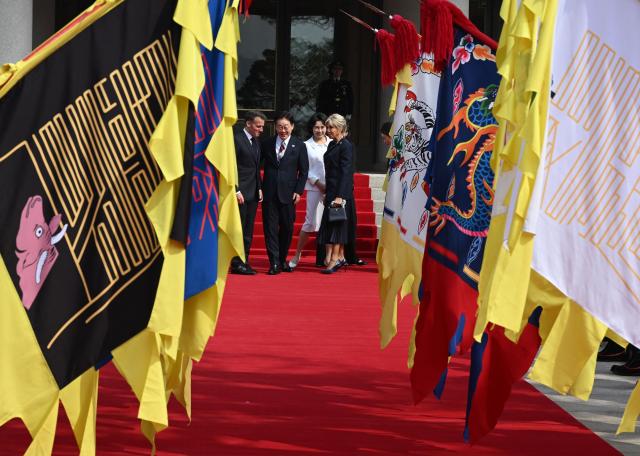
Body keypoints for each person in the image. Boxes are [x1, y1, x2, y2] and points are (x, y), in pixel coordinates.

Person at [261, 111, 309, 275]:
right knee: (270, 229)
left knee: (287, 228)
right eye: (280, 127)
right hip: (269, 192)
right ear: (275, 127)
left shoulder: (299, 145)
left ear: (292, 127)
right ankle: (274, 262)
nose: (283, 130)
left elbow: (304, 171)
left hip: (289, 194)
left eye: (286, 127)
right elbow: (256, 166)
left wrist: (298, 191)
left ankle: (282, 259)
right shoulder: (266, 144)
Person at [289, 113, 329, 269]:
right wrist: (317, 182)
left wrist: (330, 186)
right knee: (310, 222)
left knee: (329, 222)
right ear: (311, 128)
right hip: (314, 188)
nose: (319, 130)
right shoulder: (305, 145)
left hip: (332, 188)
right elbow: (304, 168)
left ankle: (330, 258)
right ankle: (297, 254)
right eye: (316, 127)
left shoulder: (332, 143)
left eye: (322, 127)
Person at [231, 111, 266, 275]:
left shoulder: (256, 142)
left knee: (248, 230)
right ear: (248, 124)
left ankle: (244, 261)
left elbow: (255, 167)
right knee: (239, 229)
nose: (261, 129)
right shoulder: (236, 139)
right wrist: (235, 189)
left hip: (252, 192)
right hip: (240, 193)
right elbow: (231, 166)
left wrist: (259, 187)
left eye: (262, 127)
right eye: (258, 126)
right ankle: (237, 263)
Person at [318, 114, 354, 274]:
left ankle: (335, 259)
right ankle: (339, 257)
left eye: (331, 127)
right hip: (332, 190)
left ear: (340, 128)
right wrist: (327, 192)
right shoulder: (332, 145)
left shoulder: (346, 146)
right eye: (328, 127)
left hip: (341, 193)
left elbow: (346, 172)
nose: (328, 130)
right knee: (331, 224)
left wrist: (340, 196)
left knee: (337, 225)